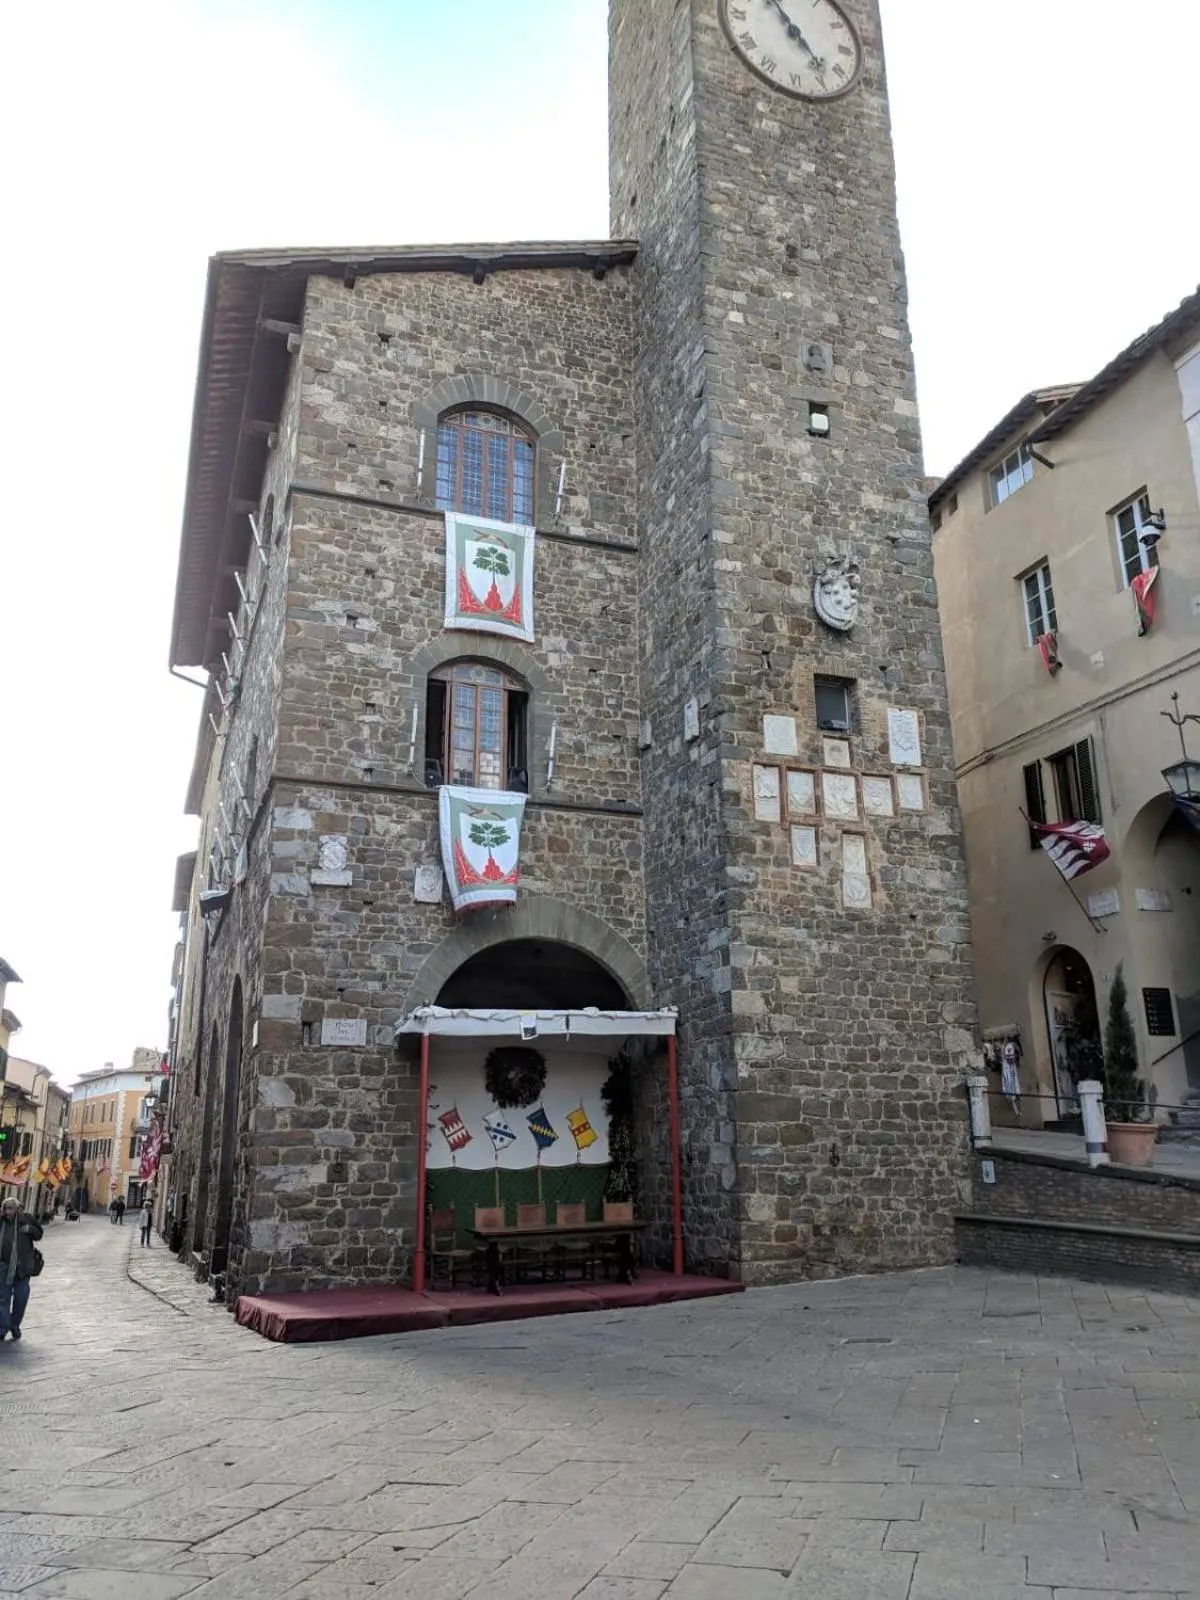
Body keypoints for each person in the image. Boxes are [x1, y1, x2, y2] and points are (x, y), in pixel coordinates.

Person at [0, 1195, 43, 1342]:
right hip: (3, 1267)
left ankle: (14, 1325)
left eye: (10, 1208)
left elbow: (39, 1234)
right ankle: (2, 1327)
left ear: (17, 1209)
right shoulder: (1, 1221)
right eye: (5, 1208)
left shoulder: (27, 1219)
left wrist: (30, 1229)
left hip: (23, 1268)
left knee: (21, 1298)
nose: (7, 1211)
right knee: (3, 1299)